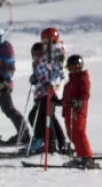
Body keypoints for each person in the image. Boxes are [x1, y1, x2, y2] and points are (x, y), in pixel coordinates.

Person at [28, 27, 69, 155]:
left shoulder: (57, 52)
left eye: (47, 40)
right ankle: (60, 142)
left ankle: (51, 143)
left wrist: (50, 83)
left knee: (45, 115)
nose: (45, 42)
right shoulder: (46, 54)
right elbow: (42, 70)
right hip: (44, 89)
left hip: (51, 89)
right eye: (44, 40)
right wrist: (36, 78)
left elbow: (59, 72)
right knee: (46, 115)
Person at [61, 55, 97, 169]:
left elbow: (85, 94)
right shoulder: (69, 83)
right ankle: (80, 155)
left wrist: (78, 102)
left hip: (78, 111)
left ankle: (87, 157)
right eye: (70, 68)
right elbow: (66, 97)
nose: (72, 70)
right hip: (68, 111)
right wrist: (56, 101)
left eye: (75, 67)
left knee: (79, 132)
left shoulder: (82, 78)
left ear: (80, 66)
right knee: (71, 134)